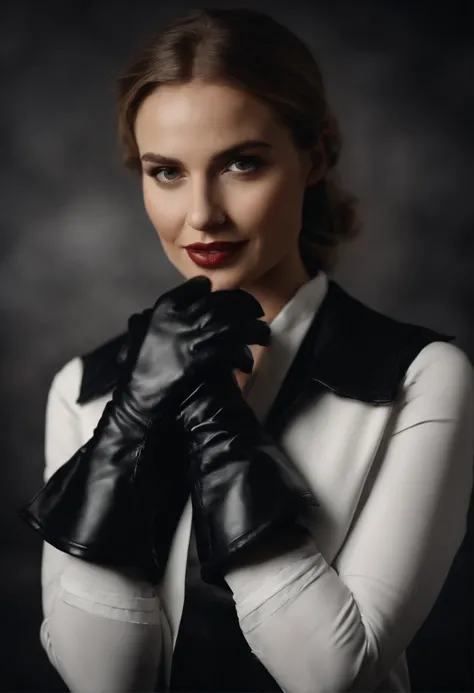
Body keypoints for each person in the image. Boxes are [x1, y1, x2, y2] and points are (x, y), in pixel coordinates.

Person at [19, 7, 474, 693]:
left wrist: (209, 412)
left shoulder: (421, 377)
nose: (202, 213)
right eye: (166, 171)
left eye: (242, 163)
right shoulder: (84, 386)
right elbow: (101, 678)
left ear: (315, 154)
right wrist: (133, 422)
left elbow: (333, 674)